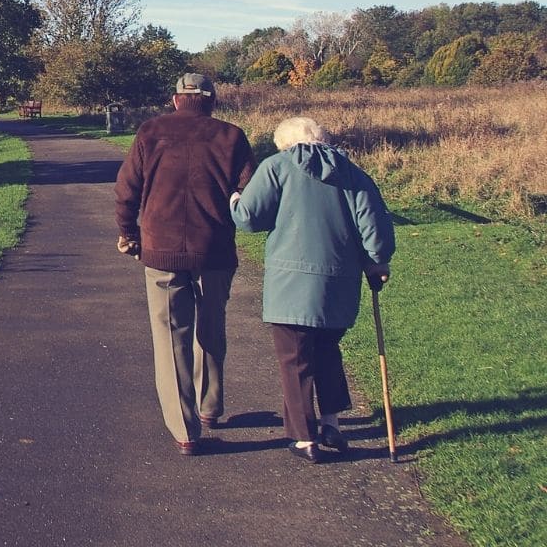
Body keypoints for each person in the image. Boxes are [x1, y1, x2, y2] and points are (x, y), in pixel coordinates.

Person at [230, 116, 395, 463]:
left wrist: (234, 200)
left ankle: (304, 438)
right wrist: (378, 262)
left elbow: (249, 218)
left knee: (295, 358)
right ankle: (331, 423)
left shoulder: (277, 167)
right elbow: (374, 228)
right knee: (327, 350)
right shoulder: (353, 173)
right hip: (339, 283)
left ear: (285, 143)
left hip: (290, 284)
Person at [114, 73, 257, 456]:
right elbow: (249, 191)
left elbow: (126, 189)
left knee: (170, 337)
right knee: (212, 327)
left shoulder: (150, 132)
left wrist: (128, 233)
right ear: (211, 100)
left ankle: (185, 430)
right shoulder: (232, 136)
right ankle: (210, 406)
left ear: (176, 99)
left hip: (161, 249)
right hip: (215, 249)